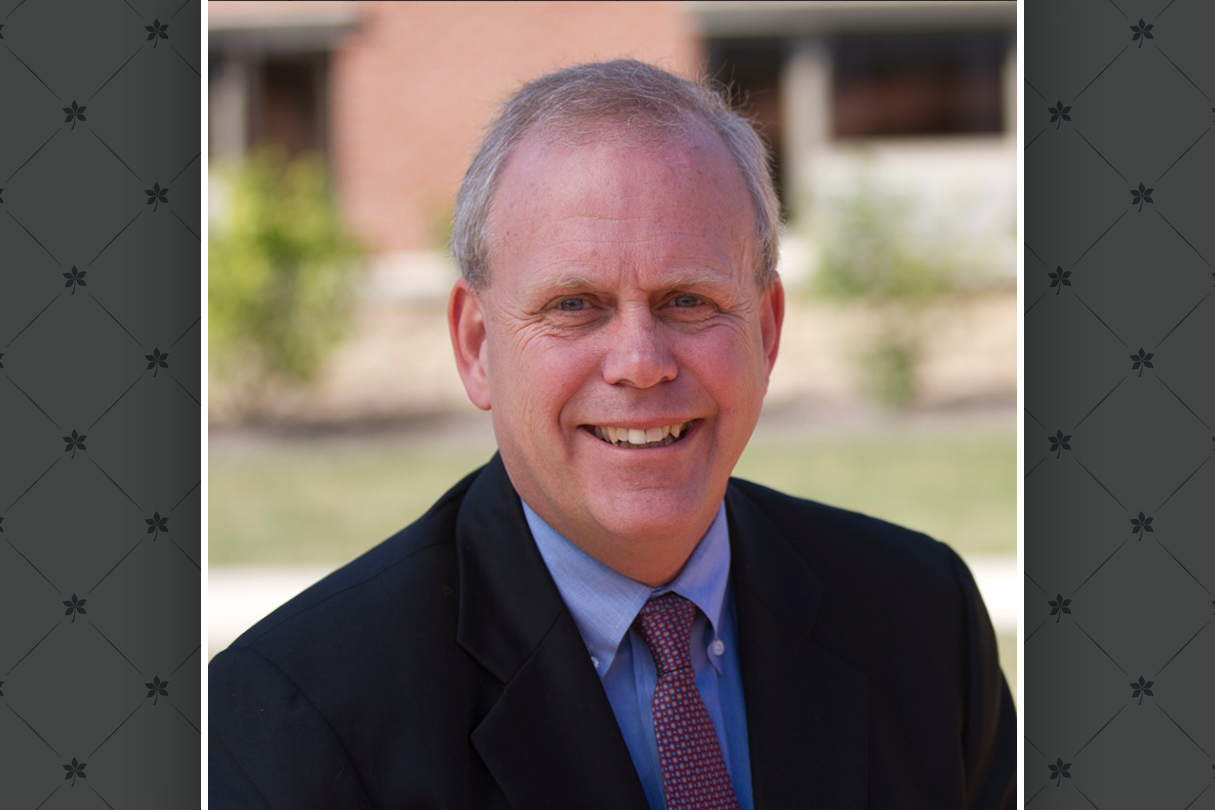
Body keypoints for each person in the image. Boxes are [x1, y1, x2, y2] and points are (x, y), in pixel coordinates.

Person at [209, 60, 1015, 809]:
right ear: (476, 346)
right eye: (574, 306)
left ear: (765, 331)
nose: (639, 363)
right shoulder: (295, 715)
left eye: (686, 301)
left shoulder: (921, 618)